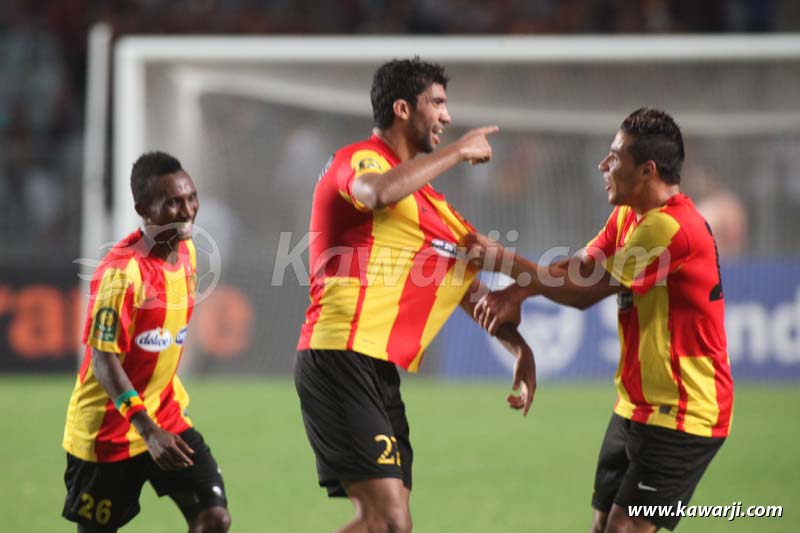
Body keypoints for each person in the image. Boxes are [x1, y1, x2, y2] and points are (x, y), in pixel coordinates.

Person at [294, 57, 536, 533]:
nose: (447, 117)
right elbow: (376, 193)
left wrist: (519, 348)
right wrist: (460, 152)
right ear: (402, 109)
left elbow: (469, 285)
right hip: (339, 352)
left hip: (376, 367)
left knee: (392, 524)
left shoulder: (428, 203)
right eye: (438, 103)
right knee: (385, 519)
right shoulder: (361, 159)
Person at [469, 108, 733, 532]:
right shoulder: (630, 215)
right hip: (636, 406)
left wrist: (500, 259)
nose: (603, 165)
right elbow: (575, 268)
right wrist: (519, 290)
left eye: (614, 156)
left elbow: (582, 292)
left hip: (684, 413)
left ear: (647, 170)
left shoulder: (671, 229)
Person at [61, 151, 231, 533]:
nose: (187, 211)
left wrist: (158, 425)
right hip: (108, 433)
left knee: (214, 518)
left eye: (191, 198)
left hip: (166, 417)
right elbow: (103, 360)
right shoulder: (121, 274)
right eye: (172, 202)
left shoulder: (186, 252)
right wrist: (146, 429)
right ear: (143, 209)